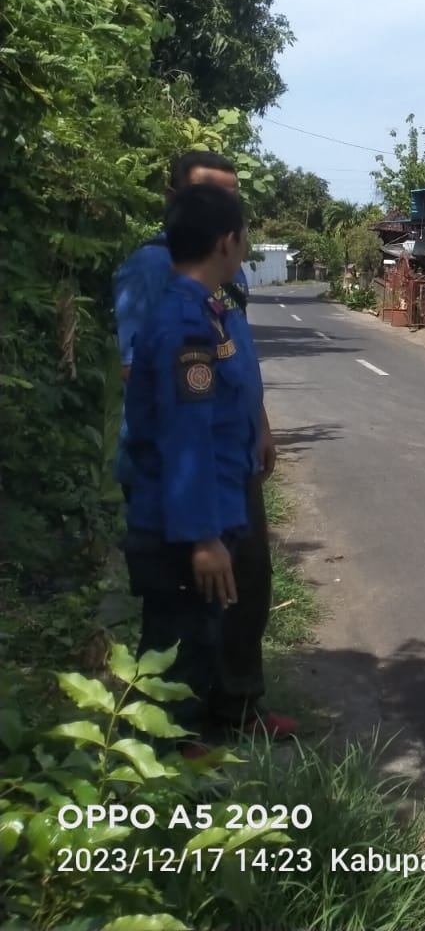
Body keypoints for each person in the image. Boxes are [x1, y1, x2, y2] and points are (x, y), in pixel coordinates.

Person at [113, 150, 293, 739]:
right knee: (177, 641)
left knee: (209, 618)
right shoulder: (182, 316)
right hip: (185, 502)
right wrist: (203, 536)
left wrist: (256, 426)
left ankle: (203, 731)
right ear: (225, 240)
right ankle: (159, 768)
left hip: (216, 485)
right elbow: (183, 434)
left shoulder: (208, 301)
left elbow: (230, 378)